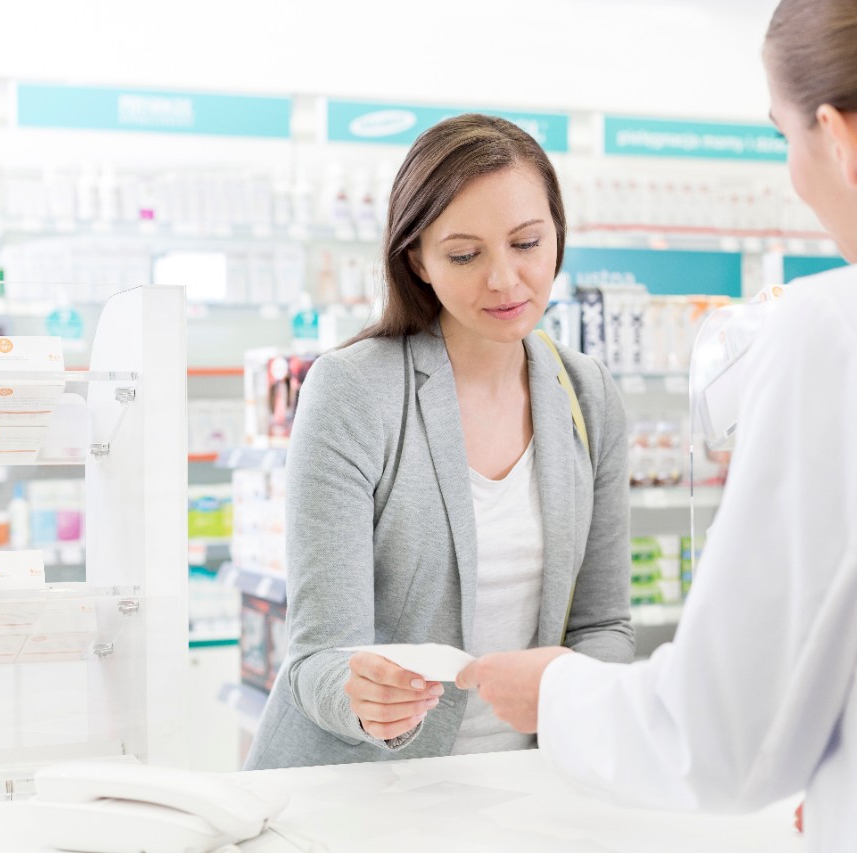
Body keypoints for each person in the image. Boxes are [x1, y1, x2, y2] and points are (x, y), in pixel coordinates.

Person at [457, 1, 857, 850]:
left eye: (785, 140)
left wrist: (555, 690)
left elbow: (721, 738)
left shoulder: (851, 326)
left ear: (839, 138)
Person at [245, 114, 636, 770]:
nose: (506, 280)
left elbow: (605, 626)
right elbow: (316, 659)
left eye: (527, 243)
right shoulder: (353, 390)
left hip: (529, 784)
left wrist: (572, 689)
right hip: (365, 790)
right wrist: (362, 695)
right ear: (417, 261)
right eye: (465, 254)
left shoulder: (587, 394)